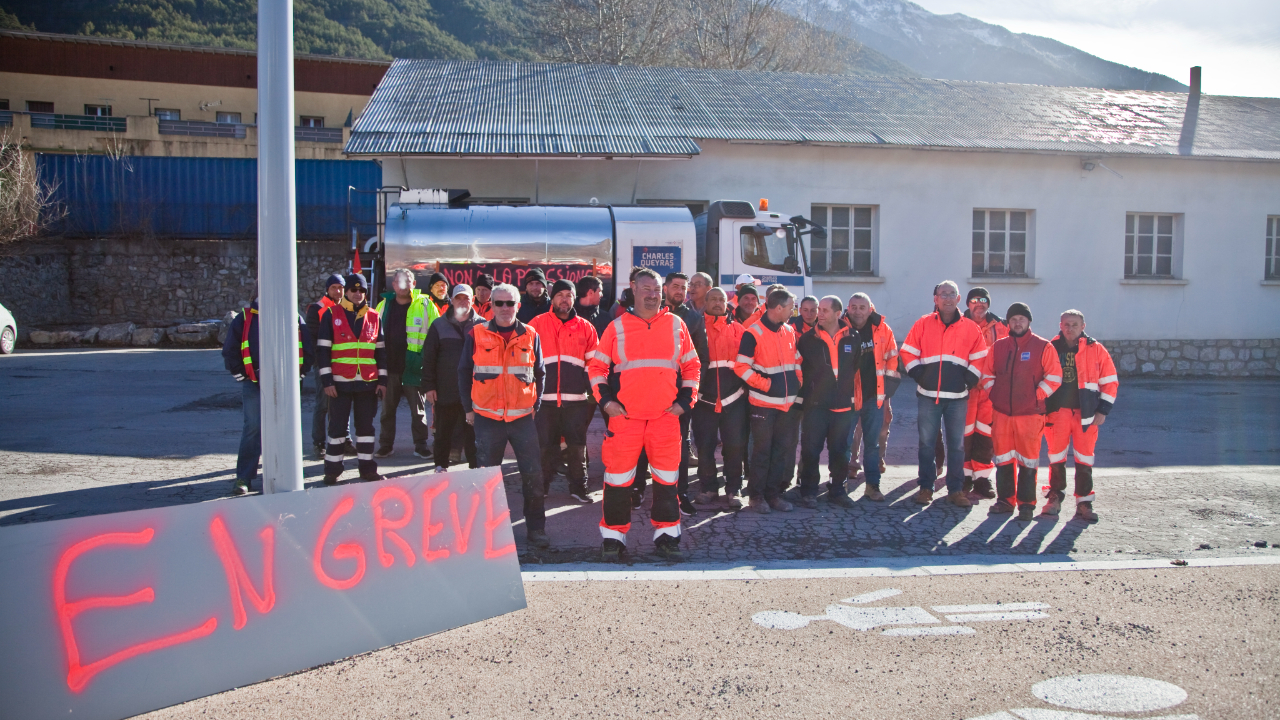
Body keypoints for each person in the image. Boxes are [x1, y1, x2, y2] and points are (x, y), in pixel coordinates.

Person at [587, 268, 700, 561]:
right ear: (633, 289)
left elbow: (692, 367)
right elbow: (597, 368)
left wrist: (686, 401)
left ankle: (667, 538)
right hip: (625, 419)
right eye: (647, 289)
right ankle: (613, 540)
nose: (653, 295)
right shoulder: (617, 327)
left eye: (656, 290)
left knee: (666, 482)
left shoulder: (676, 324)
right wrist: (606, 402)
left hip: (665, 419)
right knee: (617, 481)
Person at [459, 283, 549, 548]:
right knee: (486, 479)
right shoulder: (476, 334)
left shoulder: (531, 334)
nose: (505, 308)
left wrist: (536, 405)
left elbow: (540, 373)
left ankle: (536, 529)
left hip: (522, 420)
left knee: (533, 475)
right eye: (499, 303)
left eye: (510, 303)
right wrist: (468, 409)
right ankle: (487, 532)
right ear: (491, 306)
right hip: (488, 419)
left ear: (518, 305)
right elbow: (464, 373)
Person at [900, 280, 988, 507]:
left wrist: (968, 381)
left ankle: (956, 490)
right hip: (928, 395)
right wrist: (920, 375)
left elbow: (980, 356)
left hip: (958, 398)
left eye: (952, 294)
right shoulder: (923, 323)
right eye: (943, 293)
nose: (948, 297)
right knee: (927, 444)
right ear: (935, 299)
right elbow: (908, 351)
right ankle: (926, 487)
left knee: (957, 445)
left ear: (959, 299)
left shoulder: (970, 327)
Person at [222, 289, 313, 495]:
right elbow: (230, 349)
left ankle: (288, 475)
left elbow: (307, 348)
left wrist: (300, 374)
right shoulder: (245, 318)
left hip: (286, 384)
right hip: (254, 382)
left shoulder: (293, 316)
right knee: (253, 428)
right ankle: (244, 477)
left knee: (286, 428)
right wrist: (240, 374)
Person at [980, 302, 1062, 521]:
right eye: (1014, 319)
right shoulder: (998, 347)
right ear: (1008, 323)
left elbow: (1054, 376)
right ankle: (1005, 501)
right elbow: (987, 375)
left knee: (1028, 461)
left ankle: (1026, 504)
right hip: (1002, 413)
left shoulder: (1043, 346)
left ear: (1029, 322)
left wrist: (1036, 395)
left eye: (1022, 319)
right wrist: (994, 393)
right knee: (1003, 459)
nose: (1018, 323)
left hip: (1030, 415)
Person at [1043, 310, 1118, 523]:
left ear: (1083, 326)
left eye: (1075, 324)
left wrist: (1103, 410)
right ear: (1060, 324)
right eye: (1066, 324)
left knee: (1084, 458)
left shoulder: (1096, 349)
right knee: (1056, 457)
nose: (1070, 328)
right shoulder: (1050, 348)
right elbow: (1039, 378)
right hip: (1057, 412)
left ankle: (1084, 502)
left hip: (1087, 414)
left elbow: (1110, 380)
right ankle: (1055, 496)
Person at [529, 279, 599, 504]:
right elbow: (526, 362)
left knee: (577, 447)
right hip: (544, 400)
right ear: (552, 297)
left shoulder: (586, 327)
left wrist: (594, 393)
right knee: (545, 447)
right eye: (560, 294)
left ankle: (579, 488)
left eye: (569, 295)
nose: (564, 299)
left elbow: (594, 365)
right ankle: (543, 487)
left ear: (574, 298)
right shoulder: (537, 324)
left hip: (576, 400)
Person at [736, 288, 804, 513]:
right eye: (791, 307)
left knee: (780, 451)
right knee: (762, 452)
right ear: (778, 308)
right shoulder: (753, 333)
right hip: (763, 404)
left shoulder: (789, 331)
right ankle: (756, 497)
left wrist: (798, 385)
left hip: (786, 403)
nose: (793, 311)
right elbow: (741, 367)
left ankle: (773, 496)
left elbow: (796, 361)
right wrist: (766, 386)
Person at [317, 273, 387, 485]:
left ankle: (367, 470)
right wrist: (327, 381)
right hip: (339, 384)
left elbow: (381, 352)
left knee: (366, 430)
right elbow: (322, 350)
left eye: (362, 290)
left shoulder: (374, 316)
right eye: (354, 290)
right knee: (337, 430)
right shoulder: (331, 314)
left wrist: (382, 382)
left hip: (367, 383)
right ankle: (332, 471)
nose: (358, 294)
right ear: (346, 291)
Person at [796, 296, 860, 508]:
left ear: (838, 313)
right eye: (818, 310)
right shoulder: (807, 340)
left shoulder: (853, 338)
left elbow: (858, 370)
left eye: (824, 310)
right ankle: (808, 491)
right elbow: (801, 373)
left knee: (840, 451)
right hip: (816, 405)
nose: (818, 314)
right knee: (810, 450)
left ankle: (837, 490)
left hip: (842, 405)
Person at [691, 287, 747, 510]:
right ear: (705, 302)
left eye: (721, 299)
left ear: (727, 303)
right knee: (704, 447)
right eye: (712, 299)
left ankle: (734, 490)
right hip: (704, 400)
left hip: (734, 400)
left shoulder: (739, 330)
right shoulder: (696, 328)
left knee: (734, 447)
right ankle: (708, 488)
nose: (717, 303)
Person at [841, 292, 899, 502]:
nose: (857, 311)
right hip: (847, 398)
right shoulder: (840, 327)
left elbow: (893, 358)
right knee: (844, 443)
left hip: (874, 397)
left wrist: (888, 391)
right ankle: (840, 486)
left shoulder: (882, 328)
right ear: (848, 308)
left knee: (872, 444)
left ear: (870, 309)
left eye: (862, 307)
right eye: (853, 307)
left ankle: (872, 486)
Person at [421, 284, 485, 473]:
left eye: (467, 298)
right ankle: (440, 467)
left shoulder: (482, 326)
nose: (463, 301)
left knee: (474, 435)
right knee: (443, 433)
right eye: (459, 298)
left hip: (475, 392)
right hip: (445, 389)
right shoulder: (438, 325)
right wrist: (429, 386)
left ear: (473, 300)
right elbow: (429, 358)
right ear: (452, 300)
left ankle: (476, 470)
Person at [661, 272, 708, 515]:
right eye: (675, 286)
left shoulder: (693, 319)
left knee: (680, 445)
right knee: (641, 445)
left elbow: (702, 359)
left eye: (683, 287)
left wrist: (694, 391)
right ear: (665, 288)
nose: (680, 291)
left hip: (680, 394)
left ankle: (680, 494)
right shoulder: (651, 313)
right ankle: (637, 490)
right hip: (649, 391)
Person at [373, 268, 432, 459]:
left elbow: (436, 335)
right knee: (387, 411)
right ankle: (386, 445)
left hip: (414, 368)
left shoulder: (425, 305)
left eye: (407, 281)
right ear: (393, 285)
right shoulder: (382, 306)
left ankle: (421, 445)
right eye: (399, 281)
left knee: (418, 412)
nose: (403, 285)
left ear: (414, 284)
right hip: (389, 368)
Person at [960, 287, 1008, 499]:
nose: (979, 304)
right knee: (964, 433)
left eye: (983, 300)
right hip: (965, 388)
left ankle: (981, 478)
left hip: (990, 390)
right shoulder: (958, 324)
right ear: (968, 303)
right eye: (974, 300)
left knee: (986, 435)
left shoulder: (1001, 327)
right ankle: (963, 476)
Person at [305, 274, 354, 458]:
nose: (338, 291)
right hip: (324, 365)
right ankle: (318, 443)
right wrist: (320, 364)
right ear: (327, 289)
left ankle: (346, 440)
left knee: (344, 402)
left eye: (341, 287)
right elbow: (312, 340)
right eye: (334, 287)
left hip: (343, 364)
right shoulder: (317, 309)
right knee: (323, 404)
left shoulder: (346, 308)